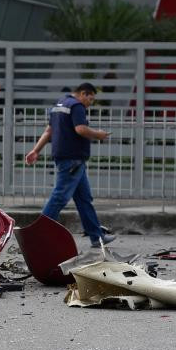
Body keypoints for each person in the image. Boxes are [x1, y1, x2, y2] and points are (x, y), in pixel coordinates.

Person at [23, 82, 116, 249]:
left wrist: (35, 150)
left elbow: (48, 131)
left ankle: (97, 237)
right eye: (91, 99)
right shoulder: (77, 106)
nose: (90, 102)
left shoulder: (59, 105)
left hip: (67, 157)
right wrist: (99, 135)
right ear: (84, 93)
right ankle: (36, 234)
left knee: (84, 199)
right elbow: (80, 129)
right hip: (73, 158)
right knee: (59, 197)